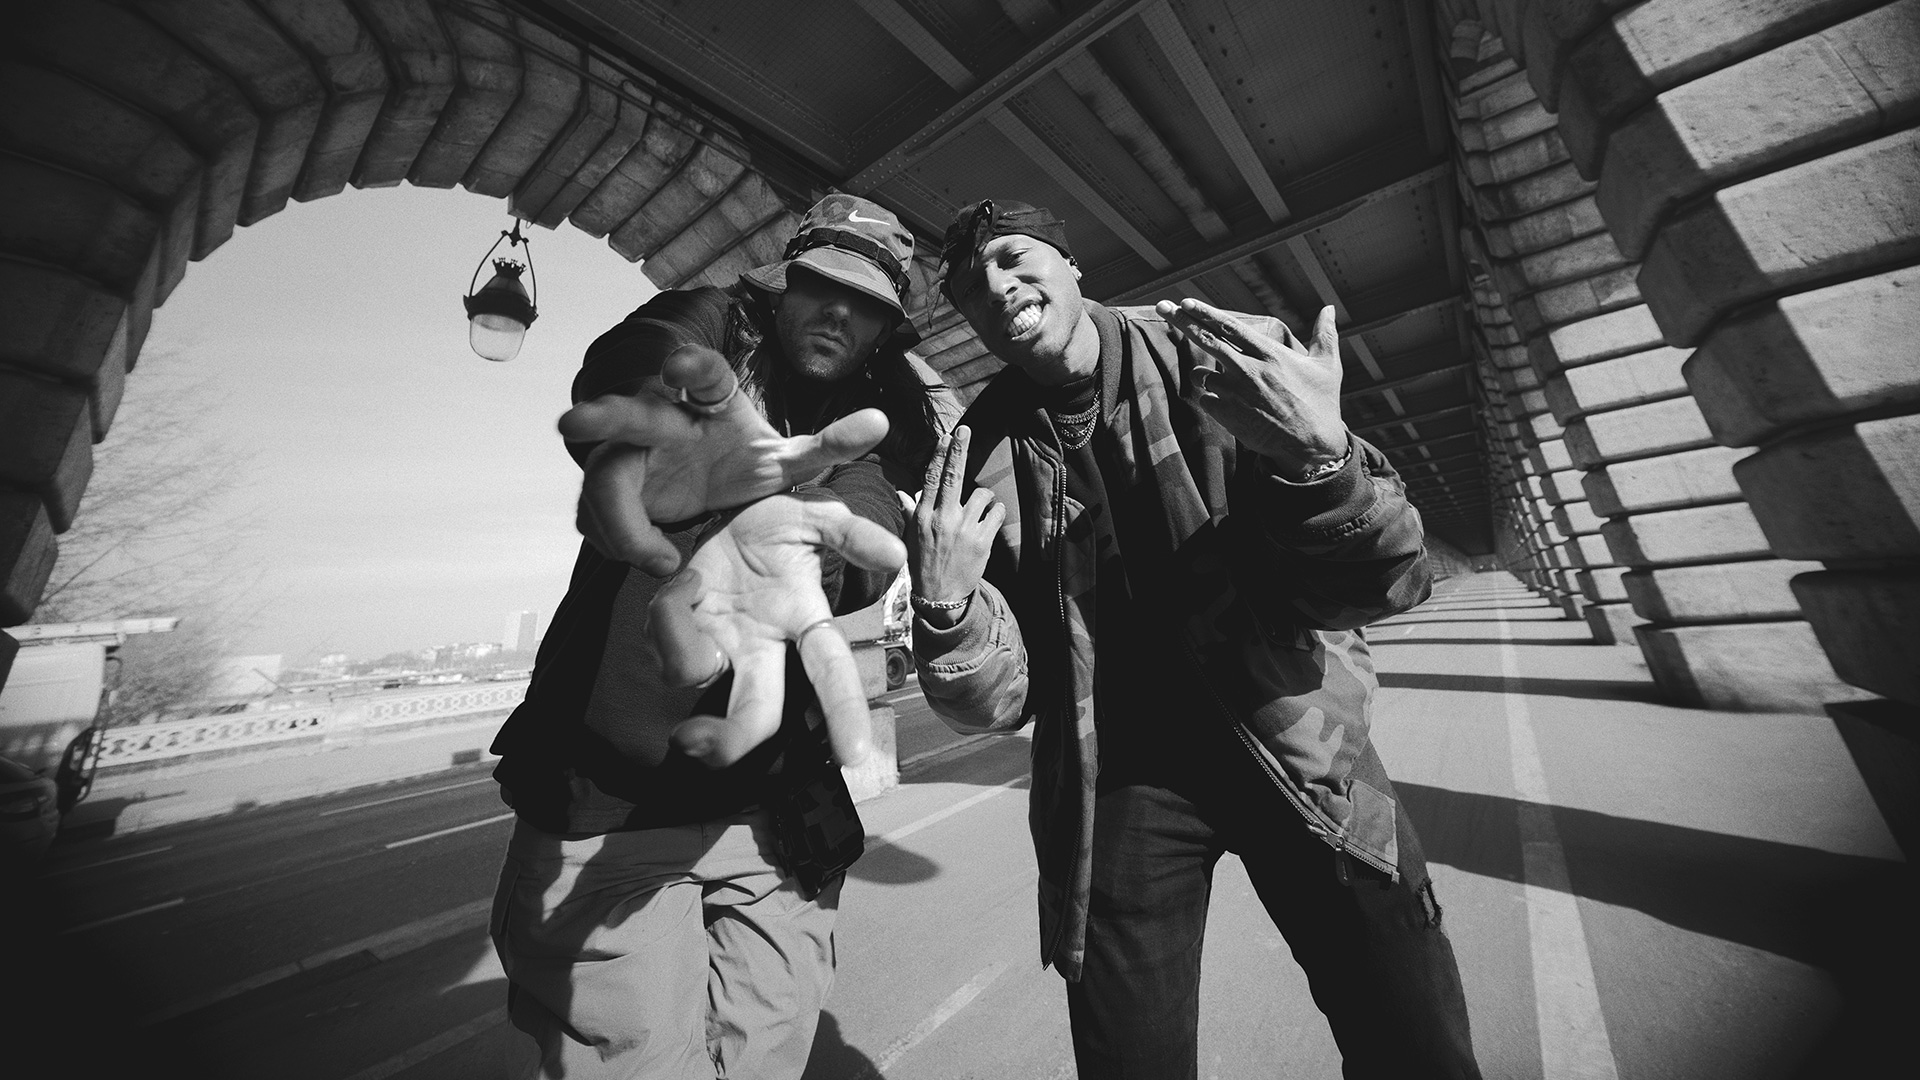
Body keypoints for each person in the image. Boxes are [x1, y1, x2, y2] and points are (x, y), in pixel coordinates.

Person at [906, 199, 1481, 1078]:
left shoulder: (1213, 355)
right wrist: (945, 608)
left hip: (1292, 736)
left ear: (1072, 265)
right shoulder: (978, 456)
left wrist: (1323, 466)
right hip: (1118, 781)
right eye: (972, 288)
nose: (997, 286)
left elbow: (1388, 582)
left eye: (1015, 258)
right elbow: (1006, 699)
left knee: (1413, 1037)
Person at [487, 194, 950, 1080]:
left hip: (775, 820)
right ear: (782, 286)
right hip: (609, 812)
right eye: (820, 286)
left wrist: (794, 554)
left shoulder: (873, 425)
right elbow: (633, 364)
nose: (837, 313)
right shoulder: (709, 328)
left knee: (769, 1056)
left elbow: (863, 527)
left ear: (885, 332)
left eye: (865, 304)